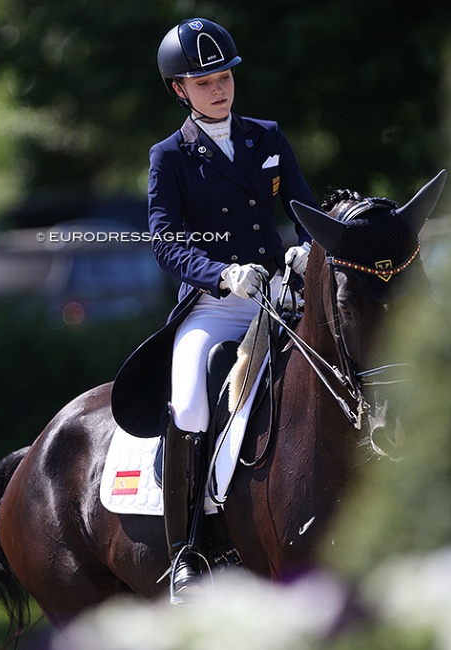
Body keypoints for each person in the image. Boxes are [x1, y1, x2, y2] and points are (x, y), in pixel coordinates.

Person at [150, 17, 318, 605]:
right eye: (204, 82)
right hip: (218, 304)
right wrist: (221, 273)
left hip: (278, 295)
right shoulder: (169, 157)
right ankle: (187, 552)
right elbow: (165, 240)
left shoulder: (267, 136)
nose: (219, 88)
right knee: (191, 399)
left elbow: (304, 206)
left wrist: (306, 247)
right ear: (181, 90)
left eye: (224, 77)